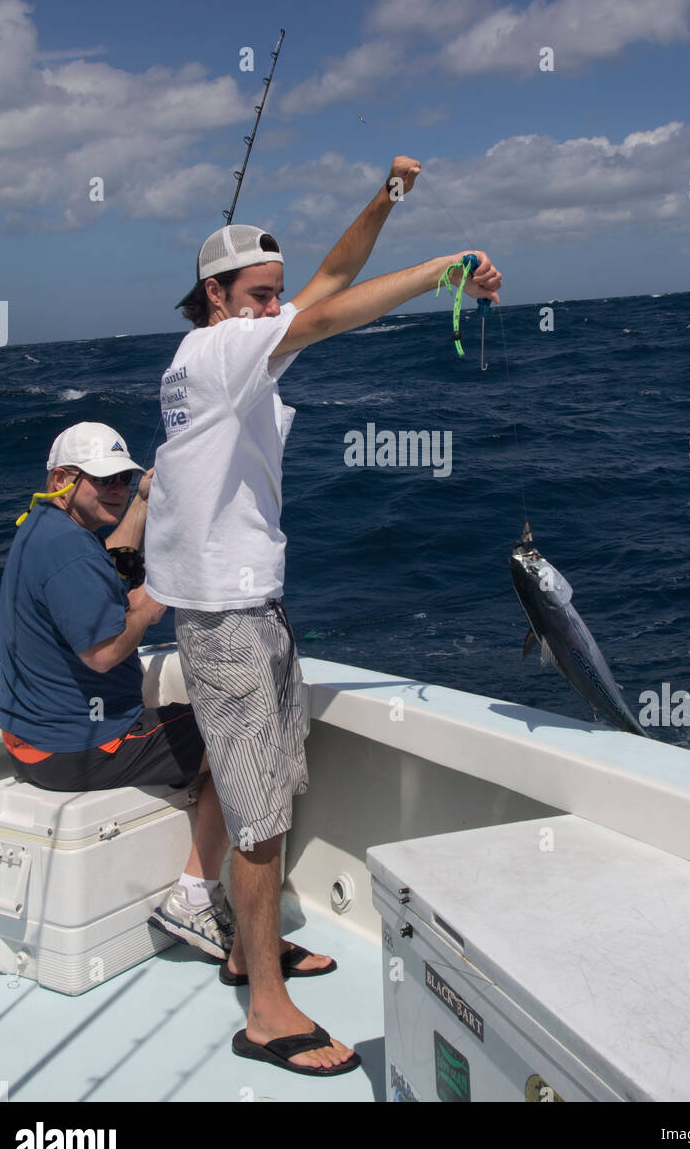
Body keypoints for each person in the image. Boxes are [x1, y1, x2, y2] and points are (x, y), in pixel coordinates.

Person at [144, 156, 501, 1076]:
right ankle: (266, 1010)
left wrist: (383, 201)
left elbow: (328, 283)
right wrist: (443, 271)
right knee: (261, 821)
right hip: (227, 617)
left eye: (274, 297)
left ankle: (238, 947)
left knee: (261, 791)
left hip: (243, 605)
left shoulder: (213, 354)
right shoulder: (226, 352)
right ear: (215, 298)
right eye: (258, 296)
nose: (274, 310)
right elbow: (332, 312)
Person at [0, 421, 232, 958]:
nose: (117, 489)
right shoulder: (69, 554)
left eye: (123, 478)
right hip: (78, 748)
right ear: (62, 479)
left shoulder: (44, 529)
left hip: (31, 742)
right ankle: (194, 898)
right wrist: (161, 593)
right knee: (243, 736)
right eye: (103, 481)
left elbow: (109, 565)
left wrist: (144, 503)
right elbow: (102, 653)